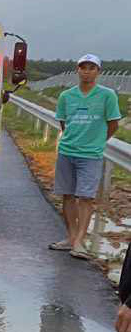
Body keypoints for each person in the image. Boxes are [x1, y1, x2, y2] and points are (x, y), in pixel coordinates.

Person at [48, 54, 122, 260]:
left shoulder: (107, 96)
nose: (87, 71)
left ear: (98, 71)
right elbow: (64, 123)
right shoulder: (66, 96)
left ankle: (80, 241)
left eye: (92, 68)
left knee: (86, 198)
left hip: (91, 155)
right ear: (77, 70)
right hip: (67, 151)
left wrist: (98, 140)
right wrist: (73, 139)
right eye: (83, 67)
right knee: (68, 195)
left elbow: (113, 123)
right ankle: (71, 238)